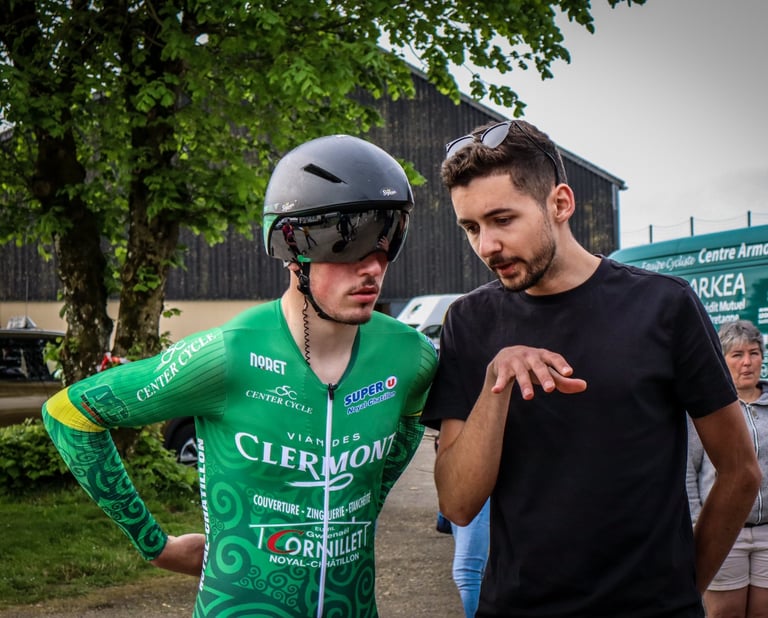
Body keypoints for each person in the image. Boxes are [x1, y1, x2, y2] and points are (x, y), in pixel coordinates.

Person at [42, 134, 438, 618]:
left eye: (387, 240)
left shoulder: (410, 356)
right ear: (294, 246)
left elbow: (411, 420)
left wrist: (360, 513)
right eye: (349, 243)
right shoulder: (228, 355)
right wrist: (154, 544)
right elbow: (69, 414)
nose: (374, 267)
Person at [420, 118, 762, 617]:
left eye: (502, 220)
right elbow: (457, 503)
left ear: (560, 203)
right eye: (471, 227)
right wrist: (499, 380)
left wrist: (685, 588)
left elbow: (740, 471)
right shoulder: (470, 320)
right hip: (518, 607)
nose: (486, 246)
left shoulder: (663, 306)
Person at [687, 319, 768, 617]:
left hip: (767, 533)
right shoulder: (707, 409)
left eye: (754, 352)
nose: (747, 362)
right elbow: (688, 472)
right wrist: (698, 523)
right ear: (722, 360)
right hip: (721, 531)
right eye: (736, 355)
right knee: (725, 613)